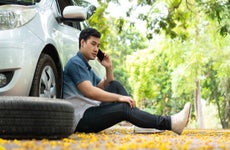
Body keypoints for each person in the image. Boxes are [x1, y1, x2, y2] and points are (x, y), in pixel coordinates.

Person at [63, 27, 191, 135]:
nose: (96, 49)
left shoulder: (85, 66)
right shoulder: (76, 63)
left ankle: (141, 123)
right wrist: (119, 98)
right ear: (82, 43)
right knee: (124, 107)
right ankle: (170, 123)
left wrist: (109, 68)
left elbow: (104, 85)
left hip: (91, 111)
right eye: (93, 44)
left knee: (115, 85)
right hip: (82, 119)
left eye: (98, 45)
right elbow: (90, 92)